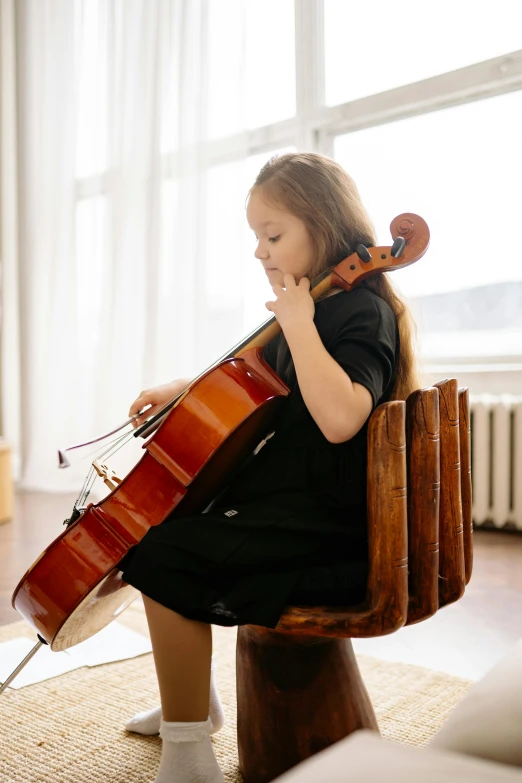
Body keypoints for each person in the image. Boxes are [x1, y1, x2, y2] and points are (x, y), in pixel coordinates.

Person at [120, 152, 419, 783]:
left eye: (274, 234)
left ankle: (188, 751)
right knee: (163, 527)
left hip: (331, 536)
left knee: (159, 554)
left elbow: (341, 418)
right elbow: (262, 387)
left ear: (324, 223)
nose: (260, 250)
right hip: (300, 510)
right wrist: (186, 390)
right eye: (256, 236)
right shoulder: (311, 305)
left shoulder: (359, 311)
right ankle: (193, 702)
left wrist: (301, 327)